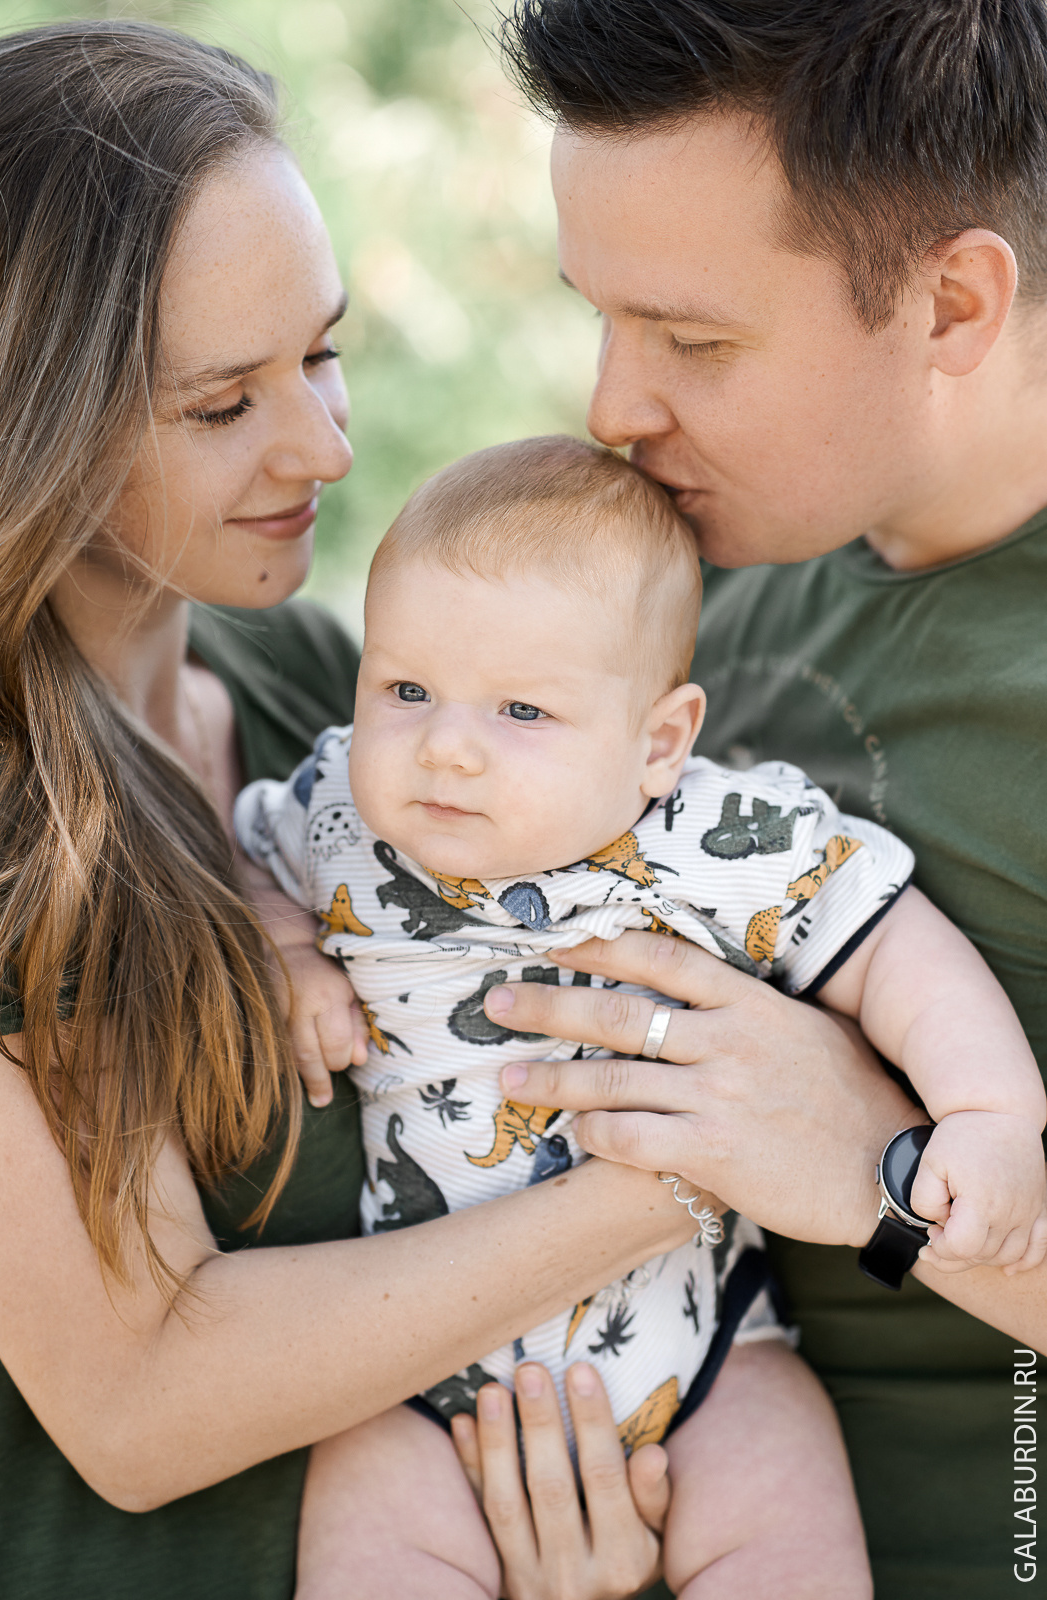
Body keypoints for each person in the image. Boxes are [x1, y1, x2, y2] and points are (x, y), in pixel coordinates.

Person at [0, 21, 745, 1600]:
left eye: (320, 354)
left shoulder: (327, 685)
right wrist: (691, 1163)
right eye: (219, 405)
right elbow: (140, 1400)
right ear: (24, 422)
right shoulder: (13, 827)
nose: (325, 446)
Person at [233, 430, 1046, 1597]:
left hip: (705, 1352)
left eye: (522, 710)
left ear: (659, 741)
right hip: (413, 1379)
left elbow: (892, 946)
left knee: (784, 1531)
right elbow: (235, 845)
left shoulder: (709, 842)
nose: (447, 747)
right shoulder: (332, 817)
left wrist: (987, 1110)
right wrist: (282, 941)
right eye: (405, 688)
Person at [493, 1, 1047, 1594]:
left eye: (694, 340)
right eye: (598, 318)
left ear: (951, 303)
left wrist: (875, 1174)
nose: (611, 406)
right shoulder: (692, 597)